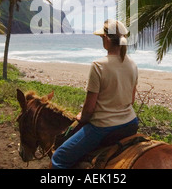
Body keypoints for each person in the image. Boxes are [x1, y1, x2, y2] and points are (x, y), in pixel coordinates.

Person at [51, 19, 139, 169]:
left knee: (58, 159)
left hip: (103, 127)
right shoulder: (132, 64)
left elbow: (89, 109)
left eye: (101, 37)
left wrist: (81, 117)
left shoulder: (98, 66)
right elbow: (130, 101)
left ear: (106, 38)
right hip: (131, 123)